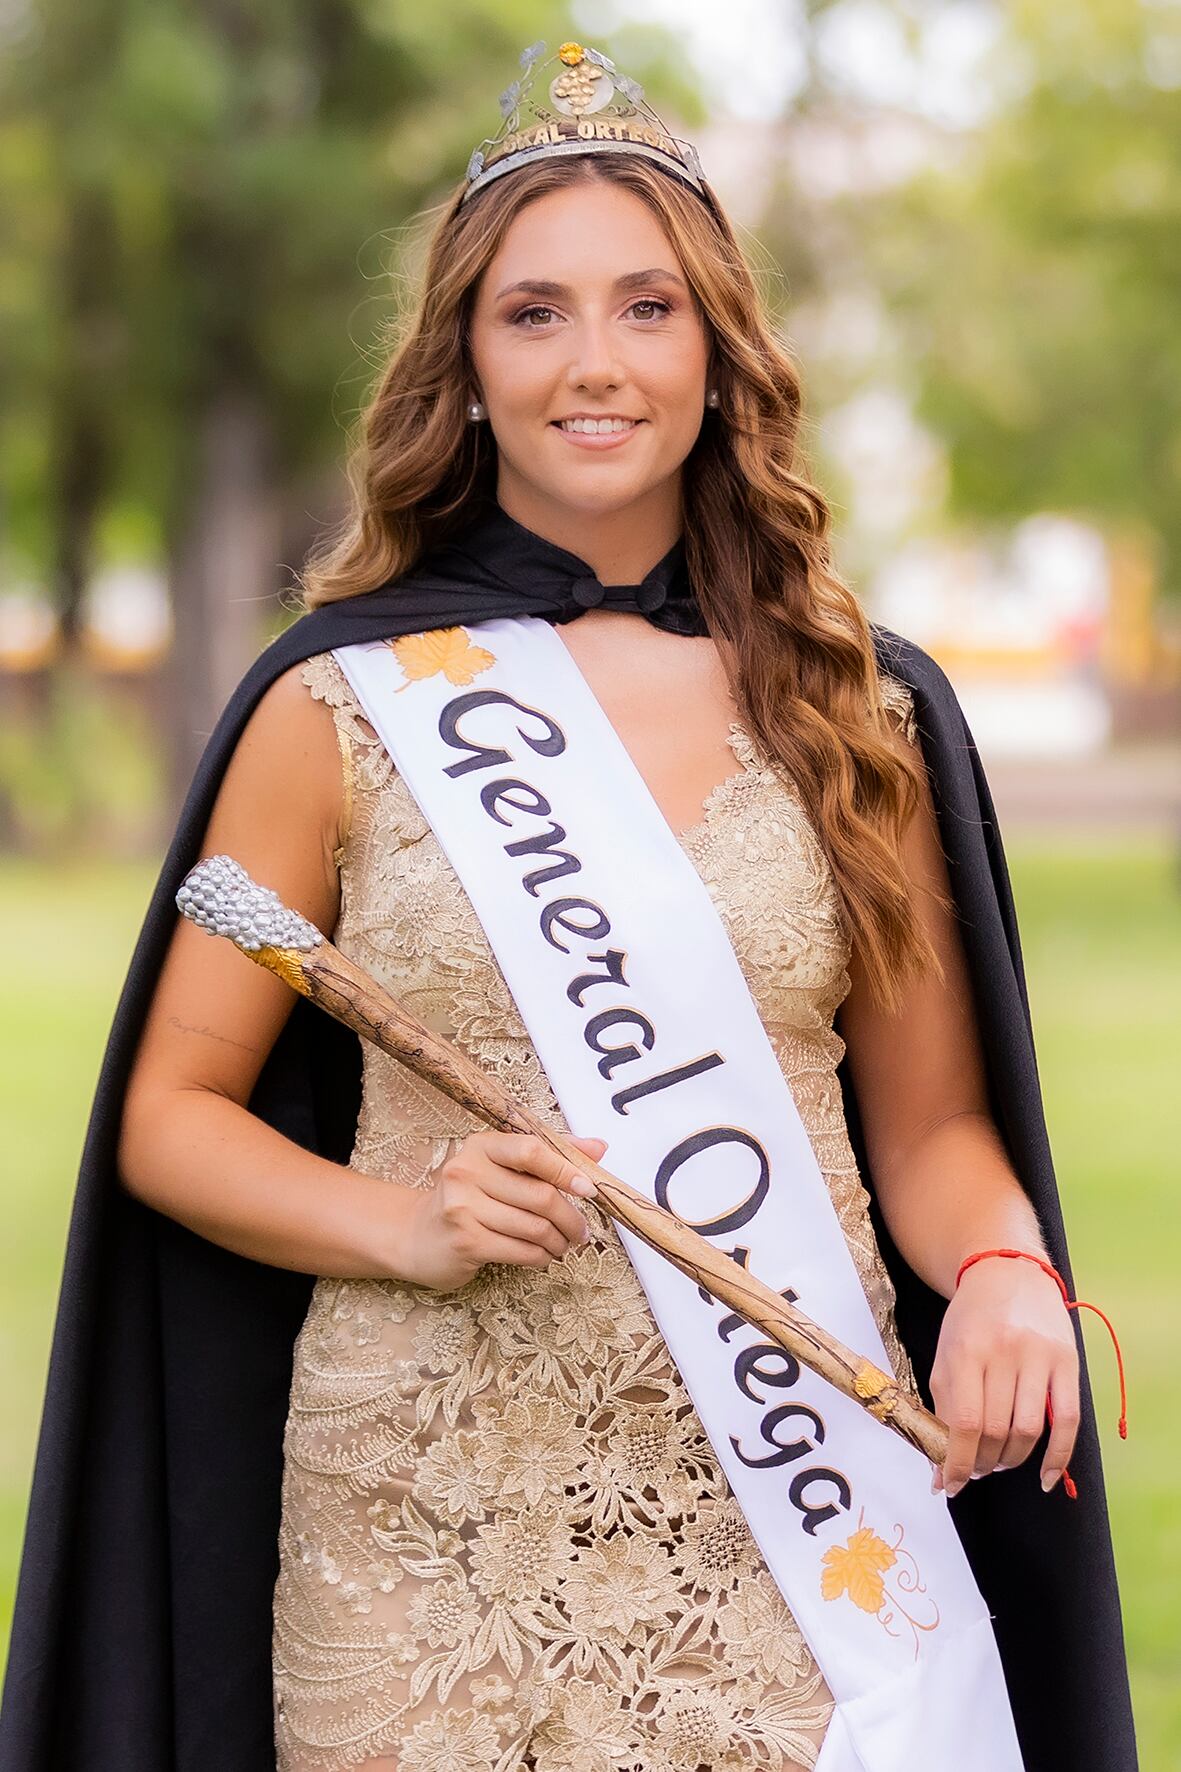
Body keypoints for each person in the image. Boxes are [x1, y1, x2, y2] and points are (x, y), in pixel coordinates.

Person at [0, 38, 1136, 1772]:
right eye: (532, 314)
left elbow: (931, 1133)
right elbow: (169, 1119)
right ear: (462, 360)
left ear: (716, 353)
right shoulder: (343, 705)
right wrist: (402, 1224)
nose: (590, 364)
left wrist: (995, 1270)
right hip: (419, 1521)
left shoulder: (860, 712)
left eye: (643, 309)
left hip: (788, 1519)